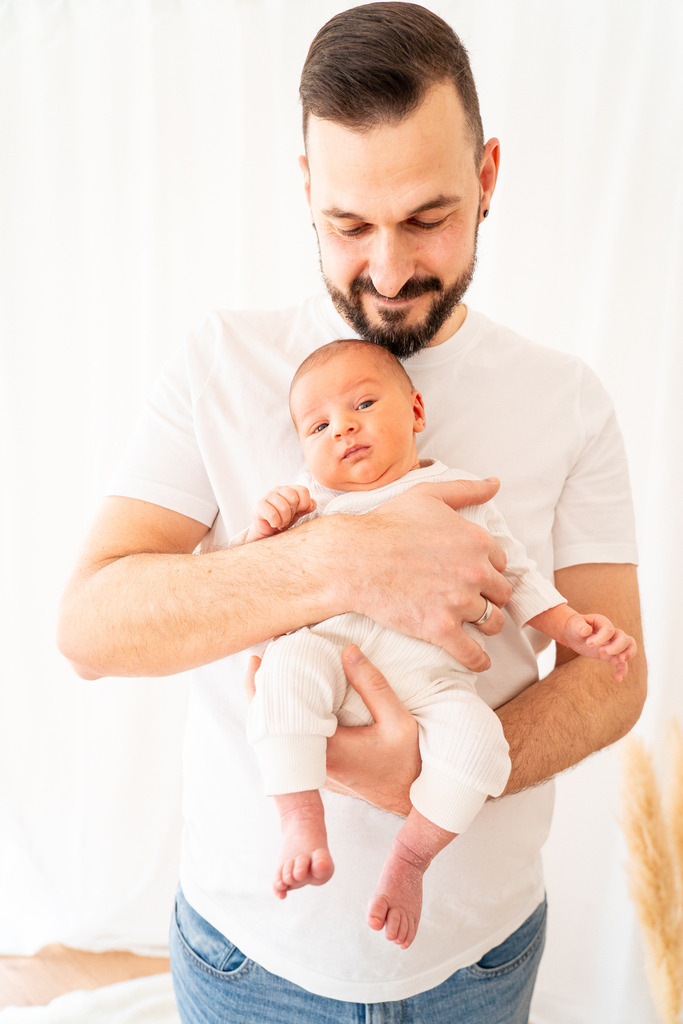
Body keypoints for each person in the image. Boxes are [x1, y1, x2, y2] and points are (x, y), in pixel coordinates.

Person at [57, 3, 645, 1022]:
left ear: (488, 176)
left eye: (426, 218)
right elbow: (89, 626)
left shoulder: (567, 399)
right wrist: (342, 561)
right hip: (251, 960)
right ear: (305, 192)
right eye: (346, 225)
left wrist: (434, 772)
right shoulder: (221, 362)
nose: (385, 270)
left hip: (479, 957)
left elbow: (611, 673)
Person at [241, 338, 637, 951]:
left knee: (483, 745)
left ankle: (411, 860)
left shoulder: (462, 494)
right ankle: (299, 820)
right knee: (284, 668)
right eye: (318, 426)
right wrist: (265, 529)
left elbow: (518, 573)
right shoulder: (311, 504)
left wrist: (569, 627)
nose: (343, 427)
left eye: (364, 404)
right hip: (331, 656)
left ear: (417, 412)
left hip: (432, 684)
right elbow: (256, 585)